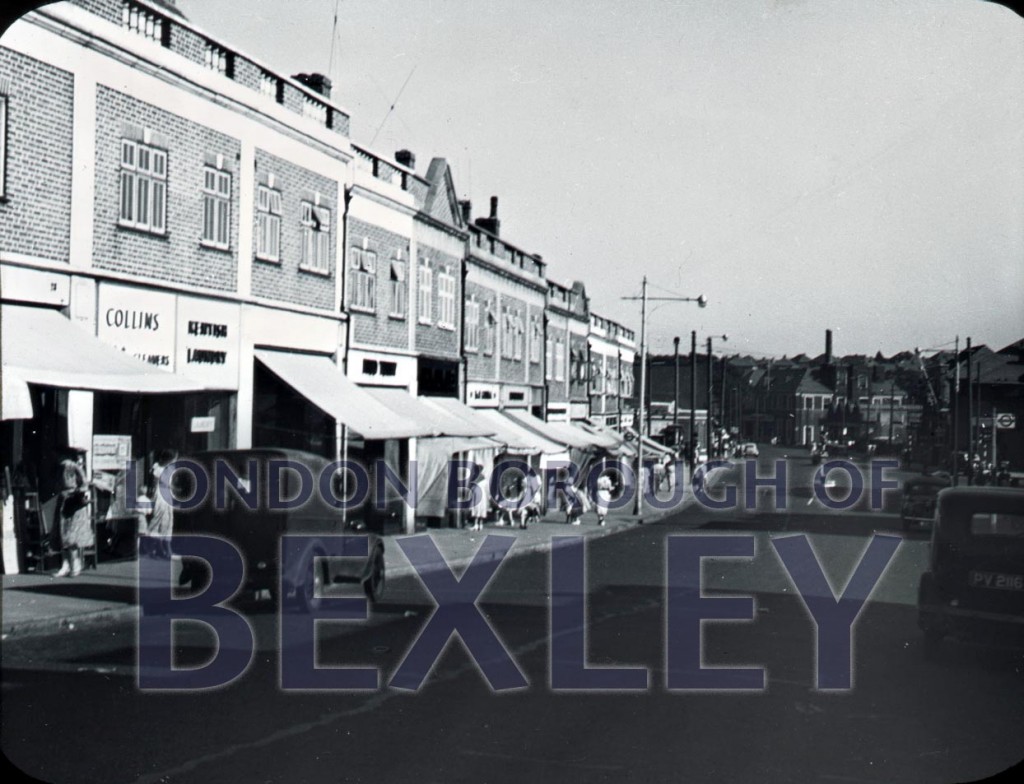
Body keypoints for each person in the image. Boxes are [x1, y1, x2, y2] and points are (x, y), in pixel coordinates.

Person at [54, 448, 93, 577]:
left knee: (70, 535)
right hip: (67, 501)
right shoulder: (66, 467)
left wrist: (76, 493)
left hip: (72, 503)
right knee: (66, 535)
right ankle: (68, 565)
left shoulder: (70, 466)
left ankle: (73, 565)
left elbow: (84, 484)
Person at [146, 449, 177, 558]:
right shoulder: (158, 469)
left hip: (167, 496)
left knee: (167, 522)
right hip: (160, 497)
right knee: (158, 521)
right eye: (173, 460)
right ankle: (153, 549)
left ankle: (164, 549)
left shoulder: (169, 469)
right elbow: (156, 485)